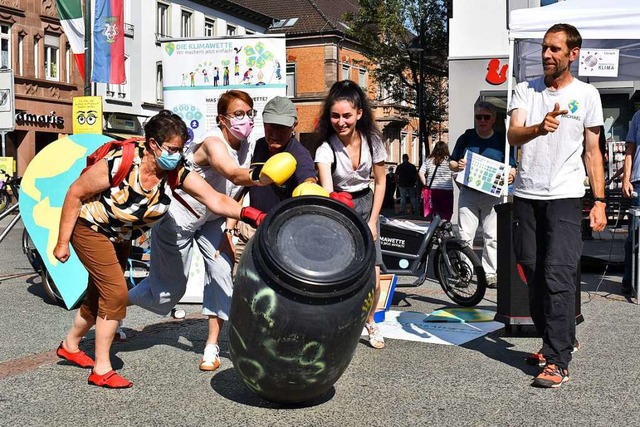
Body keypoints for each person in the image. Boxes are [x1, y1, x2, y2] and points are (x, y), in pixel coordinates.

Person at [52, 110, 262, 388]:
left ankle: (70, 345)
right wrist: (62, 241)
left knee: (97, 296)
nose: (177, 155)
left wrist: (249, 213)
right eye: (172, 149)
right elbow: (75, 193)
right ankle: (102, 368)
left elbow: (214, 198)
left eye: (181, 149)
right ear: (153, 144)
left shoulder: (174, 171)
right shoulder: (121, 162)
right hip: (90, 230)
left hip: (120, 237)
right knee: (114, 294)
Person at [127, 91, 283, 373]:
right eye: (237, 114)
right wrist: (266, 176)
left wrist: (229, 226)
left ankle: (211, 346)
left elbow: (236, 191)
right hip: (179, 219)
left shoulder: (250, 145)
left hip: (213, 220)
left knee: (223, 274)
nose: (245, 119)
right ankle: (114, 301)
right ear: (222, 119)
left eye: (249, 112)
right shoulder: (213, 143)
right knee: (166, 295)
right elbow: (234, 175)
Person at [507, 23, 606, 388]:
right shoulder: (525, 90)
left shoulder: (587, 95)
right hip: (528, 194)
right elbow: (513, 133)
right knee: (532, 272)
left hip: (565, 195)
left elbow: (593, 152)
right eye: (544, 49)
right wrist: (537, 128)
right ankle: (562, 335)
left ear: (573, 54)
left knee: (558, 274)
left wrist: (599, 201)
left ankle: (556, 358)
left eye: (554, 50)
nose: (547, 55)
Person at [314, 80, 387, 349]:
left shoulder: (373, 141)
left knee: (373, 276)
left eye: (347, 115)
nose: (341, 122)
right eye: (335, 116)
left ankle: (370, 321)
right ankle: (338, 324)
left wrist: (372, 221)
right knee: (340, 273)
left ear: (359, 113)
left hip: (367, 203)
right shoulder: (325, 149)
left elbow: (380, 182)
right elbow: (328, 191)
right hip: (340, 208)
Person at [231, 96, 317, 259]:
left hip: (281, 235)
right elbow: (243, 188)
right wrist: (230, 225)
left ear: (294, 126)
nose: (275, 133)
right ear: (263, 124)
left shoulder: (299, 155)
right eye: (271, 127)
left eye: (282, 128)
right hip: (249, 230)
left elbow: (308, 180)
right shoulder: (258, 146)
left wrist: (310, 188)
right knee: (238, 280)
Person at [449, 101, 517, 288]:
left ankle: (489, 273)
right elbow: (451, 163)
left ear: (494, 119)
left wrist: (511, 174)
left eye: (486, 117)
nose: (482, 120)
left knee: (491, 235)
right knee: (464, 235)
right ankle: (464, 272)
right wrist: (458, 165)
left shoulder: (502, 140)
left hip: (492, 194)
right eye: (479, 117)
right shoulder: (467, 137)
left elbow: (512, 166)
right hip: (468, 192)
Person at [621, 110, 640, 295]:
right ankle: (629, 281)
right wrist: (626, 179)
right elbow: (630, 149)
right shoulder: (637, 116)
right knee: (634, 234)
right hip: (639, 181)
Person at [419, 141, 454, 220]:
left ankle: (434, 229)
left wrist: (426, 184)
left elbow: (421, 173)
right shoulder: (449, 160)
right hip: (446, 191)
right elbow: (455, 175)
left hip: (432, 190)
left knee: (434, 212)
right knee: (447, 212)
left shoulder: (428, 160)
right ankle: (444, 228)